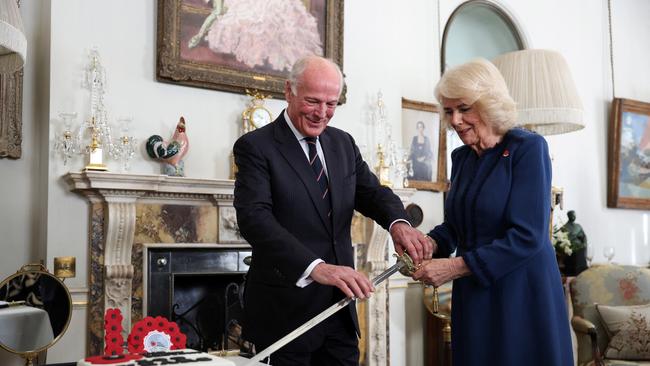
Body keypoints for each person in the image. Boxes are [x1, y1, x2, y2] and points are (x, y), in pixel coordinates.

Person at [233, 55, 432, 365]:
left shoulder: (343, 143)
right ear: (289, 91)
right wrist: (316, 267)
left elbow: (371, 192)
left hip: (340, 311)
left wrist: (398, 223)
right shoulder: (256, 147)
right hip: (284, 315)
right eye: (313, 101)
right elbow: (254, 219)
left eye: (331, 104)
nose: (322, 113)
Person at [411, 58, 573, 365]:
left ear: (489, 103)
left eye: (464, 108)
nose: (456, 120)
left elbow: (528, 236)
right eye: (448, 111)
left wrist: (452, 268)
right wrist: (427, 244)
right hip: (475, 292)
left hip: (521, 290)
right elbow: (458, 226)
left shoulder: (529, 147)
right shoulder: (461, 157)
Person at [561, 210, 588, 275]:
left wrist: (584, 243)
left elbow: (584, 236)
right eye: (572, 215)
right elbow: (561, 239)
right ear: (569, 216)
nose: (574, 216)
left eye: (574, 215)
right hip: (570, 251)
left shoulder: (578, 226)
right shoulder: (564, 227)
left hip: (580, 250)